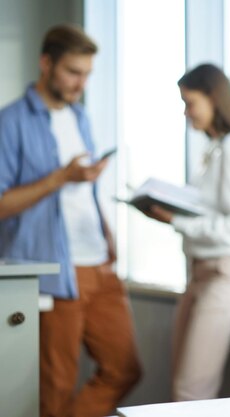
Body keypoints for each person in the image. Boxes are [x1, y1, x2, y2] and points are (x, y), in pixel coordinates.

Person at [0, 24, 141, 416]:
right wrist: (60, 177)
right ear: (46, 64)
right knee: (56, 388)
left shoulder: (80, 117)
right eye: (73, 72)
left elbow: (83, 190)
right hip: (54, 270)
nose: (81, 83)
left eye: (87, 74)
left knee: (125, 367)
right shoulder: (10, 122)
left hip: (99, 262)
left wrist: (106, 229)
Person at [140, 63, 230, 401]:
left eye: (190, 102)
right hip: (198, 274)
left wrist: (176, 222)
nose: (185, 112)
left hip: (223, 276)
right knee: (182, 383)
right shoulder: (214, 148)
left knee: (191, 390)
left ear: (214, 98)